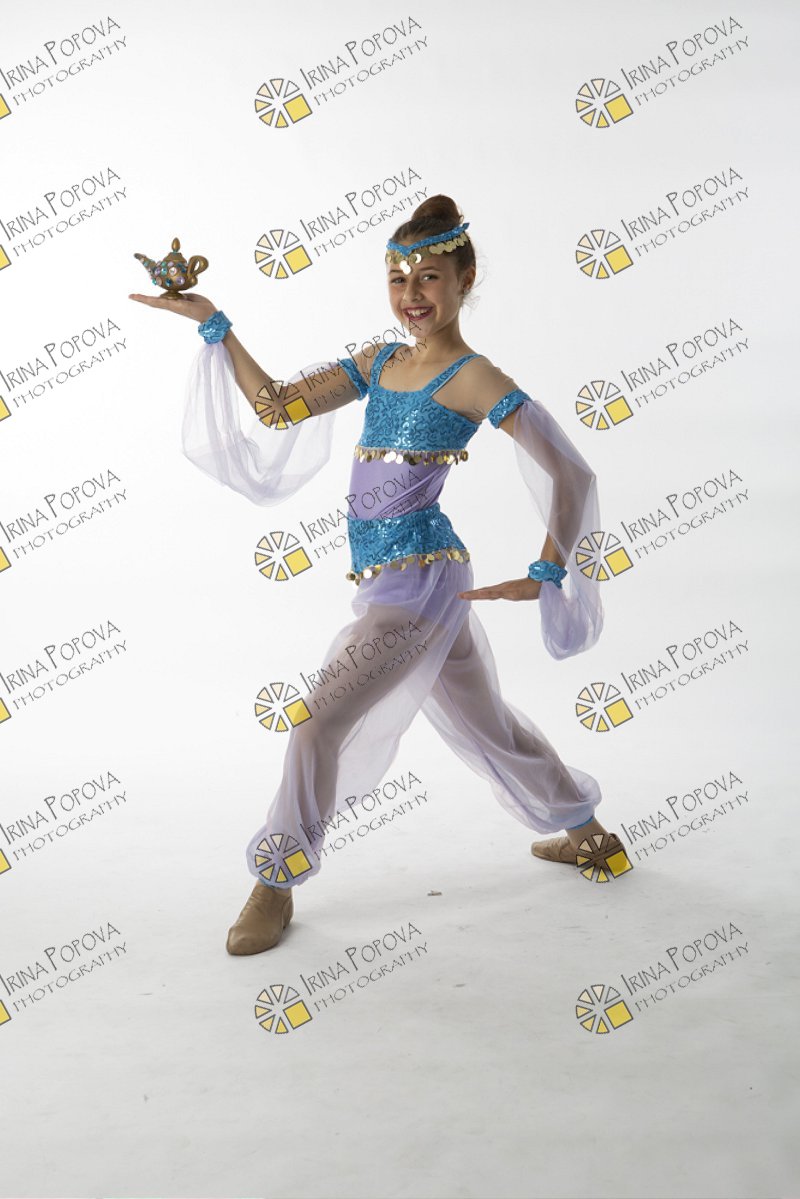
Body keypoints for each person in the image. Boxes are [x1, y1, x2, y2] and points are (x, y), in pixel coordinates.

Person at [128, 194, 632, 957]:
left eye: (429, 277)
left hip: (418, 586)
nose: (412, 294)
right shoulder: (379, 362)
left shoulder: (473, 376)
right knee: (488, 725)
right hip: (411, 581)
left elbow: (572, 472)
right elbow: (277, 407)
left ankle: (275, 879)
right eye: (399, 279)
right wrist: (215, 324)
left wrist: (547, 567)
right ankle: (593, 839)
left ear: (464, 280)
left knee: (316, 723)